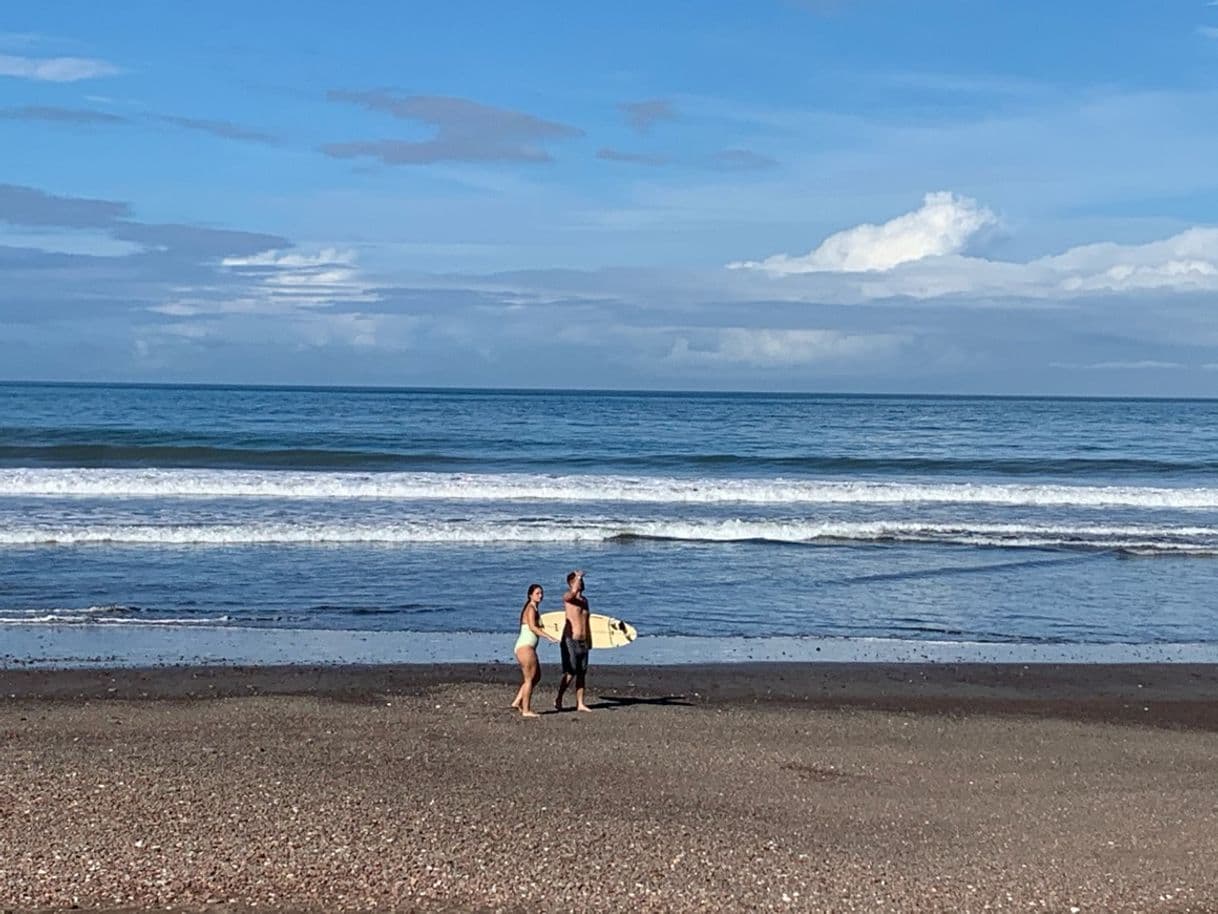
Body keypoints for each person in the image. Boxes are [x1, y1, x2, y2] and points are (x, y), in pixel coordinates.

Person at [511, 584, 557, 718]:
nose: (540, 596)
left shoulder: (535, 609)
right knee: (530, 678)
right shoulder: (530, 608)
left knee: (536, 677)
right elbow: (532, 627)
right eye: (537, 593)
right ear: (530, 595)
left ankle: (517, 702)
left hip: (527, 647)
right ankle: (526, 710)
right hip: (525, 648)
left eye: (541, 593)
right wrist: (548, 637)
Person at [554, 569, 592, 713]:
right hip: (570, 640)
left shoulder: (584, 601)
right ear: (571, 583)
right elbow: (570, 595)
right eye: (578, 581)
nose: (581, 582)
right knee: (570, 672)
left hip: (583, 641)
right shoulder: (569, 598)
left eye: (582, 580)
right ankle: (559, 698)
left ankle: (580, 703)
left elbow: (587, 623)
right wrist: (577, 577)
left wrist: (590, 640)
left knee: (582, 672)